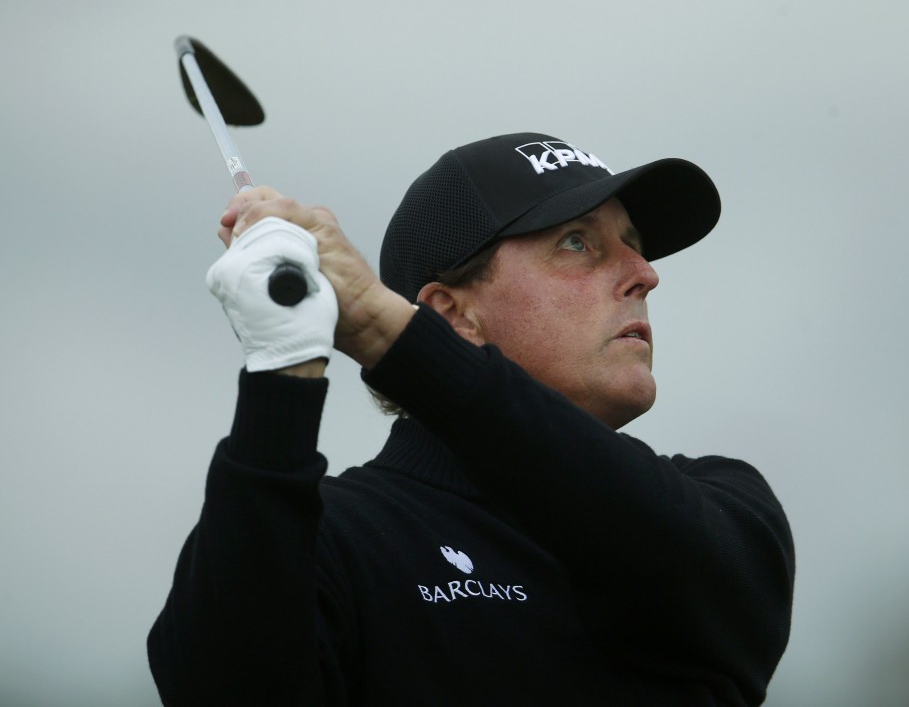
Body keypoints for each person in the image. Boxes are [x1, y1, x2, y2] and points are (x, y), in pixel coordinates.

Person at [148, 132, 795, 706]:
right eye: (579, 243)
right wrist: (282, 366)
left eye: (634, 245)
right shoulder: (331, 539)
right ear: (452, 314)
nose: (645, 274)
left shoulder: (724, 511)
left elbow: (659, 540)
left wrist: (381, 326)